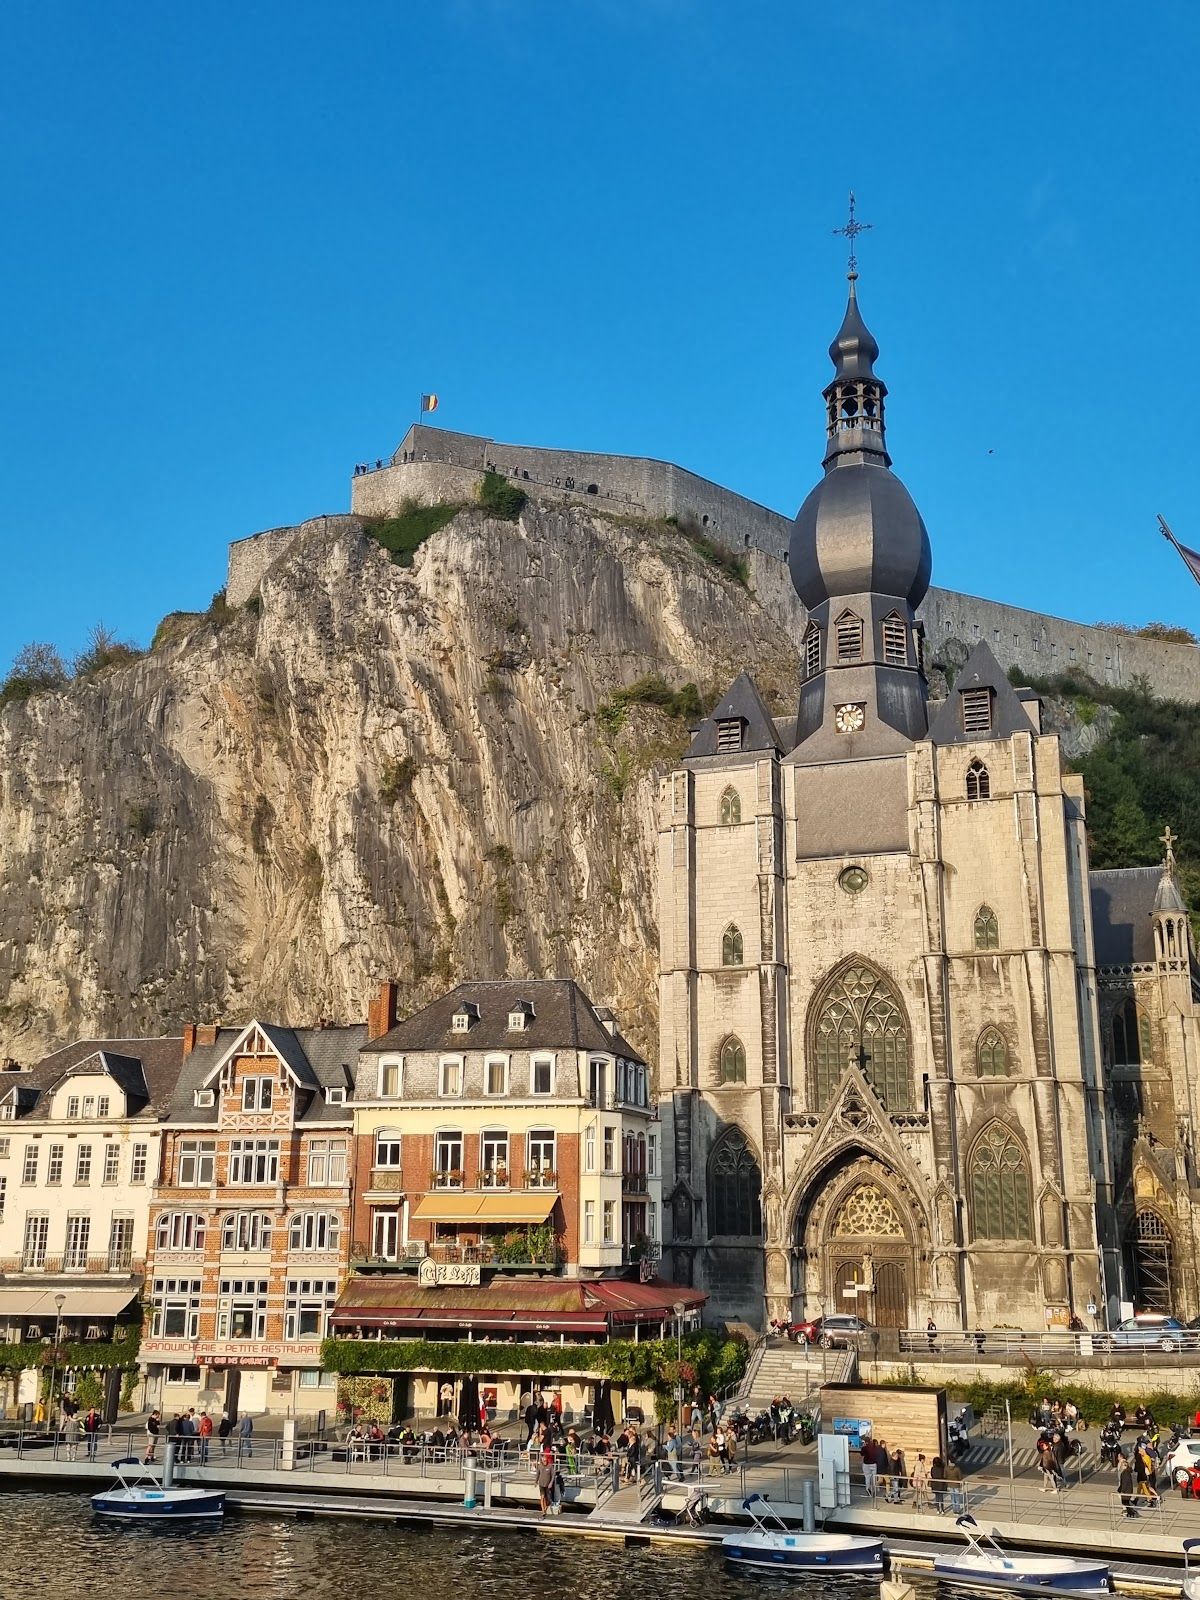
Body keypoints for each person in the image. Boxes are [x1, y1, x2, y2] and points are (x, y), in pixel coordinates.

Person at [536, 1448, 556, 1517]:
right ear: (542, 1461)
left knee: (547, 1497)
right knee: (542, 1497)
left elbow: (553, 1475)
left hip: (547, 1484)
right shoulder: (540, 1466)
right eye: (544, 1461)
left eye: (546, 1461)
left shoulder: (550, 1466)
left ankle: (545, 1507)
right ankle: (543, 1510)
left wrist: (551, 1483)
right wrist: (535, 1481)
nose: (545, 1462)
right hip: (541, 1483)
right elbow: (537, 1474)